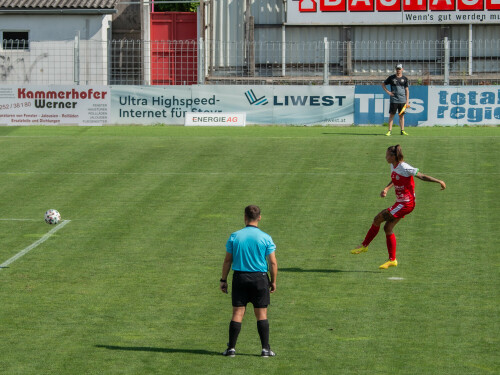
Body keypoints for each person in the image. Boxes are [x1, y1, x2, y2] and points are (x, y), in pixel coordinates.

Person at [350, 145, 446, 269]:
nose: (385, 157)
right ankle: (392, 260)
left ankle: (364, 246)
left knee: (377, 218)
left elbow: (421, 176)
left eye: (387, 155)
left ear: (394, 156)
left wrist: (439, 181)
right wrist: (386, 189)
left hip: (406, 203)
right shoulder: (393, 166)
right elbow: (394, 179)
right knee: (388, 228)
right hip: (400, 203)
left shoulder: (405, 167)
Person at [220, 205, 278, 357]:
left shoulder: (235, 236)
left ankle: (231, 348)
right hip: (260, 278)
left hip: (240, 277)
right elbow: (272, 263)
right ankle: (265, 349)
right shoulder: (266, 237)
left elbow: (227, 261)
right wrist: (273, 281)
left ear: (244, 217)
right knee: (261, 314)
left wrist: (223, 280)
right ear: (259, 217)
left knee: (238, 313)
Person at [382, 64, 410, 136]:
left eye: (399, 69)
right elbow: (383, 84)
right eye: (397, 69)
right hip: (394, 100)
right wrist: (388, 92)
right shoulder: (391, 78)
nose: (398, 70)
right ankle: (389, 131)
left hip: (402, 100)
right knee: (392, 115)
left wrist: (407, 101)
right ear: (396, 69)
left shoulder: (405, 79)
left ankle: (402, 130)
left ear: (402, 69)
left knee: (401, 116)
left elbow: (407, 90)